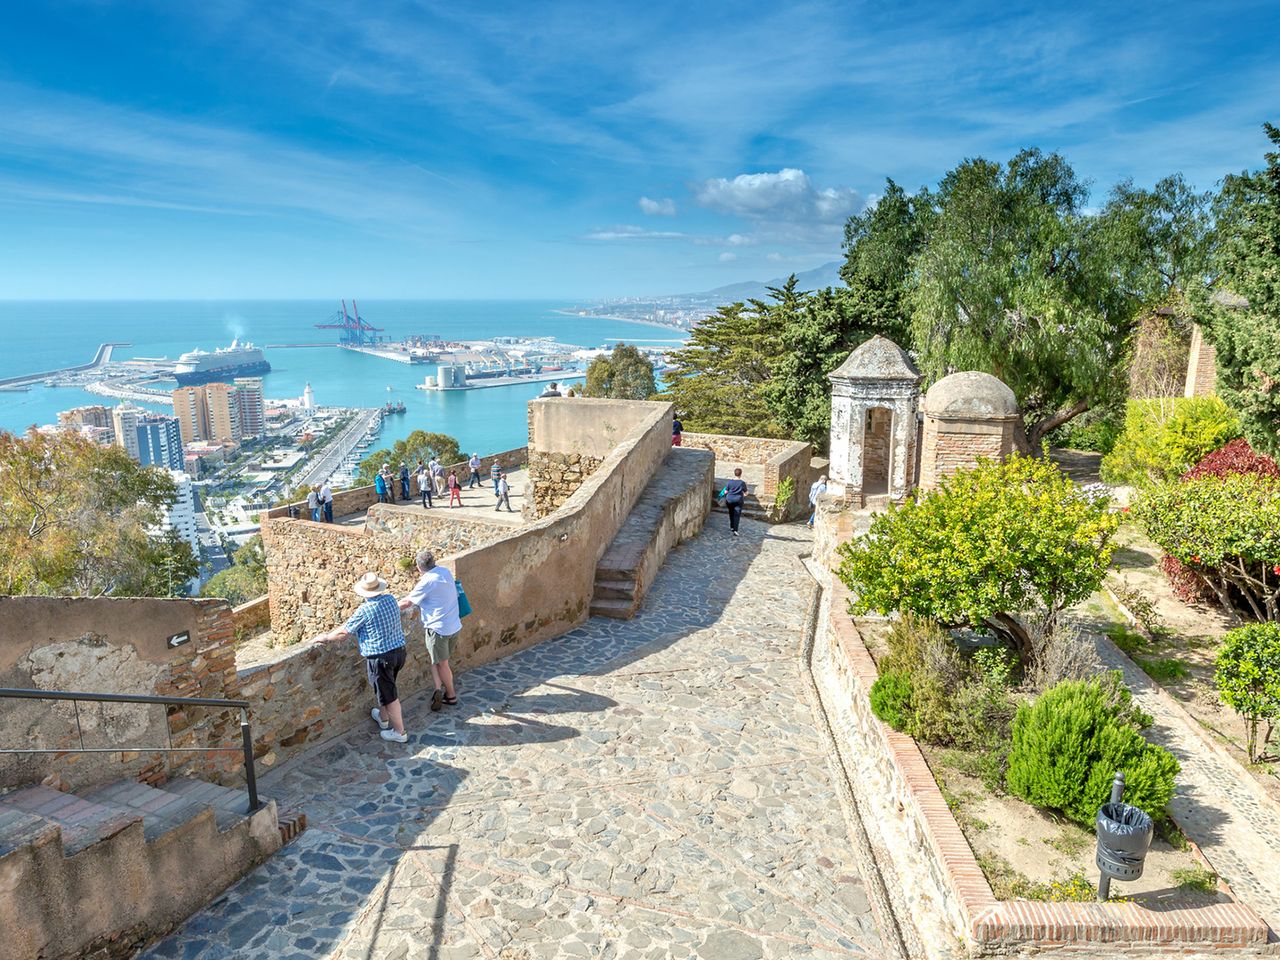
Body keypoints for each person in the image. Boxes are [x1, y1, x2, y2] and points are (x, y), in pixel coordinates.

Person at [311, 572, 409, 743]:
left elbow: (344, 632)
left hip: (381, 658)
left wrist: (326, 637)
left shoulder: (365, 610)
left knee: (390, 695)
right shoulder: (391, 599)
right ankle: (383, 718)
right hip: (399, 652)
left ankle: (400, 732)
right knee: (387, 688)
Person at [399, 549, 461, 711]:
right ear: (433, 562)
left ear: (419, 567)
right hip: (454, 625)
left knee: (443, 663)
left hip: (438, 629)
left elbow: (407, 603)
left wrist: (388, 607)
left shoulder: (426, 581)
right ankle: (437, 689)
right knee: (436, 660)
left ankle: (451, 696)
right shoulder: (445, 572)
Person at [722, 468, 748, 537]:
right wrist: (742, 494)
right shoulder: (742, 483)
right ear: (741, 474)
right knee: (737, 515)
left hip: (729, 500)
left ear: (734, 473)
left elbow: (725, 492)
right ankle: (735, 530)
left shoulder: (729, 482)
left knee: (731, 513)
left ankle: (732, 526)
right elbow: (746, 493)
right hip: (738, 500)